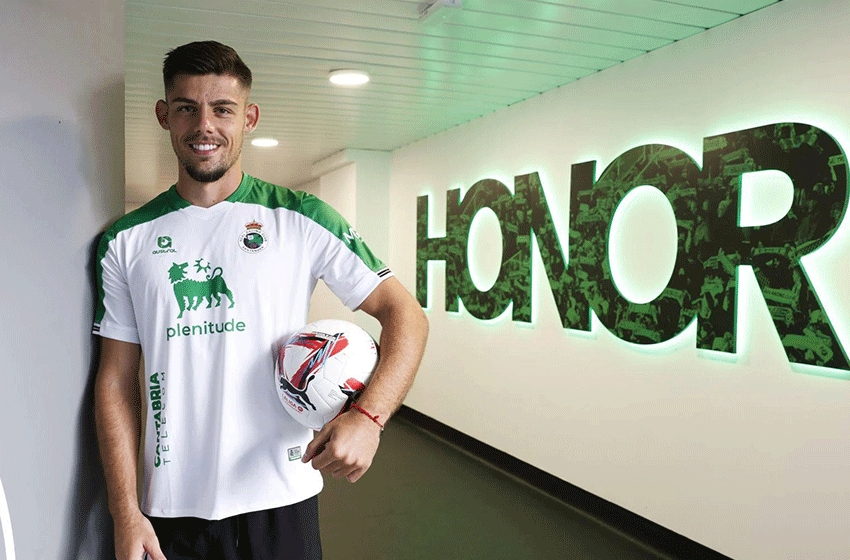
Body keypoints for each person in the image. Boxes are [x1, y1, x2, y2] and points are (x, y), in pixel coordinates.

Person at [93, 40, 428, 560]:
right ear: (164, 116)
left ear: (248, 118)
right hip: (171, 510)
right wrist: (125, 511)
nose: (204, 125)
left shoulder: (301, 217)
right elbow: (116, 381)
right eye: (186, 108)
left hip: (283, 498)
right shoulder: (126, 241)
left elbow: (405, 314)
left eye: (222, 109)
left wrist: (368, 417)